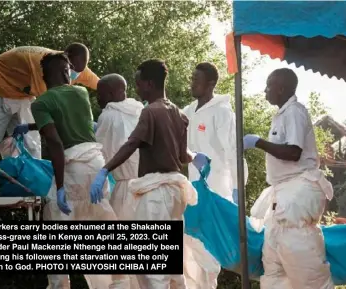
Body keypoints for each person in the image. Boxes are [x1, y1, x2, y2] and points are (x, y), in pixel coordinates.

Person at [89, 59, 209, 289]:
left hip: (156, 194)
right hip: (176, 194)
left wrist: (104, 170)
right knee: (172, 269)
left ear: (150, 84)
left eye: (138, 83)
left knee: (150, 271)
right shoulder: (178, 114)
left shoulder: (150, 111)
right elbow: (183, 155)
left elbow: (131, 144)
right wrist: (196, 157)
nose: (136, 89)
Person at [20, 52, 127, 289]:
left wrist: (59, 187)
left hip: (73, 168)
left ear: (44, 75)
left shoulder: (41, 103)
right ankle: (117, 283)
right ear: (64, 72)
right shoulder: (80, 93)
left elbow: (56, 143)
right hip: (97, 165)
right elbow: (71, 121)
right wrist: (29, 126)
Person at [243, 68, 335, 289]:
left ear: (281, 88)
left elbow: (294, 152)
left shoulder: (295, 112)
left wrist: (258, 143)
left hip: (298, 193)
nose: (265, 90)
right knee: (274, 267)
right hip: (283, 195)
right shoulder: (282, 114)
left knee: (304, 268)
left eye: (269, 85)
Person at [181, 62, 249, 289]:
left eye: (197, 80)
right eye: (192, 78)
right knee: (189, 249)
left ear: (211, 84)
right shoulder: (189, 111)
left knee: (209, 251)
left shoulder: (222, 112)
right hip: (193, 190)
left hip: (216, 189)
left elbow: (233, 152)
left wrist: (238, 187)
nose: (192, 83)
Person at [0, 43, 99, 170]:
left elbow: (105, 85)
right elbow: (53, 118)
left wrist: (122, 104)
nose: (72, 75)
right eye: (70, 70)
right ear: (66, 59)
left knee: (31, 145)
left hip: (24, 93)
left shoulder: (77, 67)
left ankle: (30, 181)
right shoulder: (44, 69)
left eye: (79, 71)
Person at [95, 73, 144, 289]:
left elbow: (100, 153)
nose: (97, 98)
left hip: (125, 187)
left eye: (100, 93)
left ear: (114, 92)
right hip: (148, 185)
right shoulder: (141, 110)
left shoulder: (108, 115)